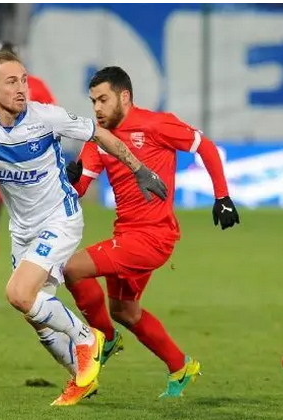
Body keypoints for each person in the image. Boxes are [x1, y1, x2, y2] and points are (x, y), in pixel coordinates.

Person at [0, 53, 167, 393]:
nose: (22, 88)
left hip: (60, 218)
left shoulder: (46, 117)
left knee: (18, 294)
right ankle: (83, 378)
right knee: (34, 315)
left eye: (24, 80)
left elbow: (100, 135)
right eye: (12, 82)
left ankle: (87, 338)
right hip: (22, 229)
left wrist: (139, 169)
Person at [50, 66, 240, 405]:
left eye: (103, 99)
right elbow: (79, 189)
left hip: (153, 237)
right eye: (93, 101)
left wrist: (222, 196)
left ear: (124, 96)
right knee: (125, 311)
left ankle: (104, 340)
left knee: (72, 269)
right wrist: (70, 178)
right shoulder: (98, 137)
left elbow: (206, 147)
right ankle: (180, 366)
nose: (97, 108)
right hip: (125, 234)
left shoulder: (156, 124)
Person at [0, 41, 57, 313]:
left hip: (30, 168)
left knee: (38, 227)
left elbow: (55, 122)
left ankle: (39, 287)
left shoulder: (37, 87)